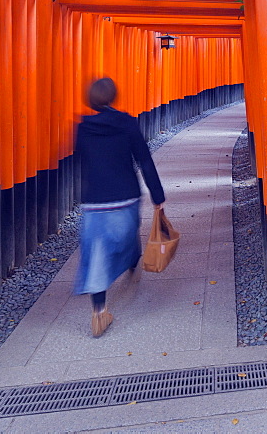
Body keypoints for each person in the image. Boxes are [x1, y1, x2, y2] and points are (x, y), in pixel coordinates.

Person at [73, 77, 166, 337]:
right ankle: (131, 263)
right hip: (125, 196)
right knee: (126, 238)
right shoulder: (127, 123)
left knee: (96, 255)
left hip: (95, 201)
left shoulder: (83, 128)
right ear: (114, 95)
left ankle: (98, 311)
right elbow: (144, 160)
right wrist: (157, 195)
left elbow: (82, 158)